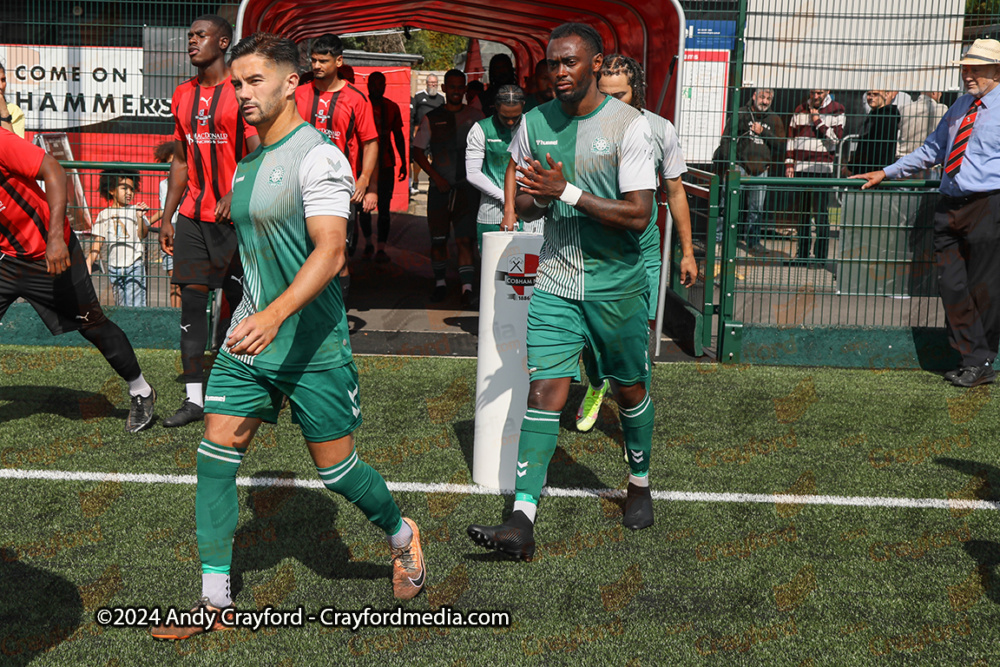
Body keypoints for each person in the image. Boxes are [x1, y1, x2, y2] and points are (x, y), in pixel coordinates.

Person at [149, 33, 426, 641]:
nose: (242, 94)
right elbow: (256, 234)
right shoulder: (248, 159)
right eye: (237, 84)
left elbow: (330, 254)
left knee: (338, 473)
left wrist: (275, 315)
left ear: (290, 83)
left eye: (255, 82)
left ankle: (402, 535)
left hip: (311, 344)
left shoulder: (320, 157)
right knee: (214, 458)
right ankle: (213, 601)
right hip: (249, 339)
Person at [466, 23, 693, 560]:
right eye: (552, 64)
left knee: (629, 389)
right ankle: (522, 519)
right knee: (546, 391)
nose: (559, 72)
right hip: (554, 281)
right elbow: (529, 197)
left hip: (616, 284)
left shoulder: (630, 128)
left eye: (569, 63)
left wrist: (565, 189)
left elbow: (639, 216)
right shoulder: (533, 123)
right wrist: (529, 202)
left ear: (595, 66)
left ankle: (638, 483)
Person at [853, 39, 1000, 388]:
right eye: (965, 67)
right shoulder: (961, 105)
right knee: (951, 284)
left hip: (989, 204)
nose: (967, 74)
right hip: (949, 204)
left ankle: (978, 361)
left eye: (975, 67)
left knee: (985, 287)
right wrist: (886, 172)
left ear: (997, 69)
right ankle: (976, 359)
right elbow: (933, 148)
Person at [0, 127, 156, 432]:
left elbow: (54, 170)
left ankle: (141, 391)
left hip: (50, 250)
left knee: (92, 325)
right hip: (5, 260)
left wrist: (55, 237)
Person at [574, 54, 695, 432]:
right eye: (604, 93)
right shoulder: (583, 124)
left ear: (638, 92)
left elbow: (675, 192)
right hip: (592, 245)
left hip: (641, 246)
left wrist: (688, 253)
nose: (611, 102)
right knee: (588, 334)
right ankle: (595, 382)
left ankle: (634, 424)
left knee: (636, 336)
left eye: (620, 95)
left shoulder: (660, 130)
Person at [159, 14, 261, 428]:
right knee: (192, 304)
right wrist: (167, 216)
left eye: (200, 36)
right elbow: (180, 161)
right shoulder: (182, 95)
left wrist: (236, 191)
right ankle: (193, 399)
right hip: (193, 218)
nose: (192, 42)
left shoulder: (240, 92)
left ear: (223, 43)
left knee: (240, 308)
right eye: (189, 36)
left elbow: (259, 152)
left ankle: (239, 390)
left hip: (235, 220)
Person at [295, 33, 378, 301]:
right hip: (298, 185)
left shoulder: (356, 98)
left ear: (339, 61)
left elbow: (371, 142)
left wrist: (365, 180)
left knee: (337, 254)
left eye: (323, 61)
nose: (316, 66)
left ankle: (337, 314)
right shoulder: (297, 94)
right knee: (300, 251)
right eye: (314, 60)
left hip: (338, 189)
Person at [412, 69, 485, 306]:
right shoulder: (431, 118)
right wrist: (435, 177)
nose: (455, 91)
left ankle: (466, 288)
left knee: (466, 240)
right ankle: (440, 284)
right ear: (444, 89)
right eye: (451, 87)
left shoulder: (476, 116)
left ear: (465, 89)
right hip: (439, 188)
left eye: (459, 87)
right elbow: (417, 152)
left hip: (468, 189)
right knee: (439, 240)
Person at [717, 88, 785, 253]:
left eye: (768, 99)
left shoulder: (774, 119)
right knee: (727, 204)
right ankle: (719, 239)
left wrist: (764, 132)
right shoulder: (741, 114)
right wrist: (730, 164)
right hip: (739, 167)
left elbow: (781, 145)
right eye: (762, 97)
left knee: (757, 208)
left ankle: (753, 242)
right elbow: (726, 139)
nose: (765, 101)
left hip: (761, 170)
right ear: (754, 96)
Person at [785, 89, 845, 266]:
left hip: (822, 170)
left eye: (819, 93)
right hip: (802, 168)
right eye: (813, 93)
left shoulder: (837, 109)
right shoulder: (799, 109)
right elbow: (791, 138)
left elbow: (836, 139)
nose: (816, 96)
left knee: (820, 215)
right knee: (802, 214)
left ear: (827, 91)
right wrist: (789, 163)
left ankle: (820, 257)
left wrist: (817, 121)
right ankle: (802, 255)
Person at [465, 84, 526, 251]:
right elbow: (472, 173)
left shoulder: (530, 127)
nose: (511, 122)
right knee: (493, 271)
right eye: (505, 117)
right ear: (496, 107)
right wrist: (506, 199)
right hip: (491, 212)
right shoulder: (481, 129)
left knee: (528, 272)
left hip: (527, 213)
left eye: (516, 116)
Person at [88, 169, 160, 307]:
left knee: (136, 305)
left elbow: (143, 234)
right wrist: (89, 261)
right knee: (120, 305)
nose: (129, 193)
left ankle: (137, 328)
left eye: (132, 189)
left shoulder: (135, 210)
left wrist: (140, 217)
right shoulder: (104, 214)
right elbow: (98, 242)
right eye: (124, 188)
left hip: (134, 265)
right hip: (114, 267)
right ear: (111, 190)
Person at [361, 71, 406, 263]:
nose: (378, 88)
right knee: (363, 207)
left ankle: (381, 247)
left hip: (386, 164)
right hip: (363, 167)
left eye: (381, 84)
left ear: (385, 86)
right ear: (368, 85)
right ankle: (368, 242)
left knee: (385, 208)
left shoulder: (392, 107)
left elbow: (399, 136)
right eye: (374, 84)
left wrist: (404, 161)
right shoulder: (361, 105)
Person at [153, 140, 182, 307]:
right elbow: (165, 209)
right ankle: (175, 316)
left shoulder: (187, 182)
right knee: (174, 280)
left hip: (184, 230)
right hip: (170, 233)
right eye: (168, 164)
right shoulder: (162, 185)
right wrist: (146, 221)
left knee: (187, 280)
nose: (171, 167)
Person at [846, 90, 900, 175]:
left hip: (874, 172)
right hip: (868, 170)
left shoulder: (886, 118)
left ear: (887, 94)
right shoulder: (875, 115)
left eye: (875, 94)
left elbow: (875, 149)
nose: (871, 97)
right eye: (869, 94)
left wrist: (851, 166)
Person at [897, 91, 948, 179]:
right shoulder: (942, 109)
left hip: (905, 158)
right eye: (940, 93)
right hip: (930, 160)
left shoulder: (904, 108)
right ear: (934, 93)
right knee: (929, 190)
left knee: (902, 192)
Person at [410, 74, 444, 195]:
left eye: (435, 83)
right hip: (422, 133)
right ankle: (415, 181)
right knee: (419, 159)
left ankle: (434, 182)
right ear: (426, 83)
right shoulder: (419, 96)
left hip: (437, 134)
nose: (433, 85)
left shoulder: (441, 98)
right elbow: (413, 116)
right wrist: (414, 131)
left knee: (435, 159)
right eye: (431, 83)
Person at [0, 64, 25, 138]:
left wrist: (4, 113)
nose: (1, 86)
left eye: (3, 80)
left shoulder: (14, 111)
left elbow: (15, 147)